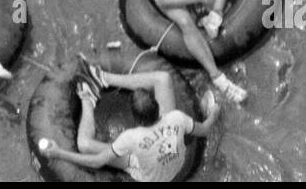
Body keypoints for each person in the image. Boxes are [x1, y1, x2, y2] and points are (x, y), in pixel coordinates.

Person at [37, 62, 218, 182]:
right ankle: (104, 78)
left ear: (135, 119)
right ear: (157, 107)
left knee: (84, 144)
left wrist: (59, 153)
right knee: (163, 78)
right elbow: (205, 129)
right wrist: (214, 114)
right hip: (177, 163)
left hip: (150, 177)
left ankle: (87, 99)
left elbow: (97, 162)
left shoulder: (131, 137)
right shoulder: (177, 118)